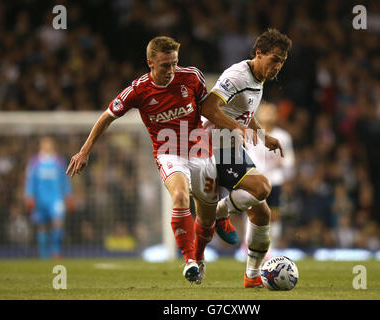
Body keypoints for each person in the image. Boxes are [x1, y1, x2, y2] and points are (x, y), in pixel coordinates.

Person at [66, 36, 249, 284]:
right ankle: (189, 261)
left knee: (205, 217)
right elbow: (107, 116)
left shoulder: (193, 77)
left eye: (174, 63)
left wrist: (235, 126)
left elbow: (209, 109)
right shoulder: (138, 90)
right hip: (168, 153)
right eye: (165, 65)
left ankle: (202, 250)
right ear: (150, 63)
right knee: (181, 196)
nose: (171, 70)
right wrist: (84, 150)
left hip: (200, 152)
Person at [201, 28, 292, 288]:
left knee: (262, 215)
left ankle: (252, 277)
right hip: (213, 145)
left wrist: (262, 136)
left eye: (282, 62)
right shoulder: (237, 75)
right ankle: (217, 214)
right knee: (263, 187)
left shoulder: (259, 78)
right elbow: (208, 107)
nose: (277, 66)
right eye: (274, 59)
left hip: (230, 145)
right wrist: (236, 128)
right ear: (258, 53)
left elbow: (243, 111)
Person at [246, 102, 296, 250]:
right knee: (253, 215)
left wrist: (287, 174)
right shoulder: (251, 135)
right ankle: (249, 247)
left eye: (271, 112)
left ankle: (271, 248)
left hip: (275, 182)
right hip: (256, 182)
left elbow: (289, 161)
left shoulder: (283, 137)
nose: (268, 115)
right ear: (258, 115)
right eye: (265, 112)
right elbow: (247, 157)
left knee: (274, 217)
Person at [24, 136, 74, 259]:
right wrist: (29, 196)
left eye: (49, 143)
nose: (47, 146)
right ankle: (44, 254)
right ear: (41, 146)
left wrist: (68, 196)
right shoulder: (35, 161)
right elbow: (31, 181)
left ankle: (56, 251)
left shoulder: (59, 161)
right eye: (45, 144)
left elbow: (64, 180)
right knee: (42, 226)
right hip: (40, 199)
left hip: (55, 199)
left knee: (58, 222)